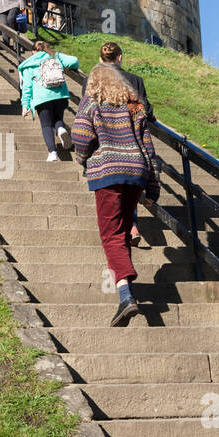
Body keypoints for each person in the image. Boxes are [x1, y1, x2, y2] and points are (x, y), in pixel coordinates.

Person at [71, 64, 160, 326]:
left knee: (110, 234)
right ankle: (126, 291)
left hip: (108, 171)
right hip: (136, 172)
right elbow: (148, 145)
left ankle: (125, 295)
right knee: (122, 231)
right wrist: (153, 185)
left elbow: (80, 133)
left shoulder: (92, 101)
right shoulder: (134, 103)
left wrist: (83, 157)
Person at [98, 41, 156, 246]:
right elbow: (146, 111)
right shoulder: (136, 80)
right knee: (129, 186)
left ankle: (125, 230)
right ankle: (132, 226)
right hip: (133, 148)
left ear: (100, 60)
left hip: (105, 149)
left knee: (112, 198)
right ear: (120, 58)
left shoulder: (93, 82)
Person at [19, 39, 79, 162]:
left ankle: (52, 152)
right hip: (59, 94)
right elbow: (74, 61)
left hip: (42, 98)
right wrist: (69, 67)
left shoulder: (29, 64)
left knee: (46, 125)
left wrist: (25, 105)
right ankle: (61, 129)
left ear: (33, 51)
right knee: (58, 118)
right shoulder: (55, 55)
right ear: (47, 47)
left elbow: (27, 87)